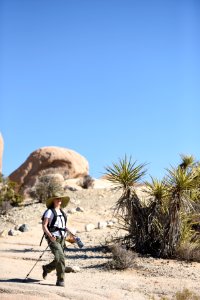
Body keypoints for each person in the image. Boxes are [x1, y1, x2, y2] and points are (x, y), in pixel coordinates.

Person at [42, 192, 70, 287]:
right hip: (53, 238)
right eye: (57, 198)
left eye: (60, 199)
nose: (59, 200)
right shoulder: (49, 211)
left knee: (59, 258)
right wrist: (50, 236)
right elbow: (44, 226)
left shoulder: (62, 212)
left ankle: (47, 268)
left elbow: (64, 226)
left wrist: (72, 234)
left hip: (62, 238)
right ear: (53, 200)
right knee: (61, 258)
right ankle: (60, 280)